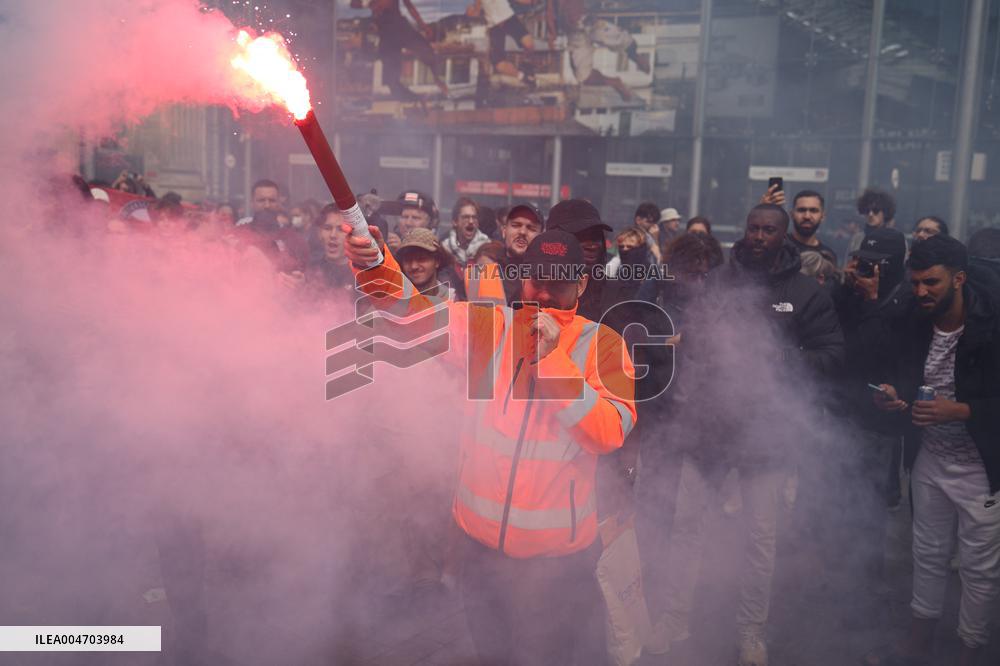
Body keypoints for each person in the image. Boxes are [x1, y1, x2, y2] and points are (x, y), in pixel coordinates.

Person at [342, 223, 637, 665]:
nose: (542, 293)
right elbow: (411, 319)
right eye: (535, 278)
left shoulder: (604, 345)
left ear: (581, 282)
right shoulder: (489, 327)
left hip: (557, 566)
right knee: (493, 655)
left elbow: (608, 433)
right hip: (480, 553)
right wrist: (373, 263)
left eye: (556, 282)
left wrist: (552, 362)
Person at [653, 204, 844, 666]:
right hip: (710, 427)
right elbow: (695, 337)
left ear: (784, 237)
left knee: (760, 537)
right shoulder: (719, 281)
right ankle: (674, 618)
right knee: (687, 527)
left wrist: (786, 360)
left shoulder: (804, 292)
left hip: (765, 433)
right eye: (753, 228)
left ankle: (750, 632)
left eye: (768, 231)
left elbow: (834, 353)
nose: (759, 237)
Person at [869, 235, 1000, 666]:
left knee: (980, 570)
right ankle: (919, 642)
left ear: (959, 279)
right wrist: (894, 394)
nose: (921, 291)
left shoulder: (992, 322)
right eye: (916, 282)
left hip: (982, 466)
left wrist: (958, 409)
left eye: (932, 283)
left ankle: (970, 650)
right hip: (930, 459)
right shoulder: (913, 316)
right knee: (926, 556)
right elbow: (905, 376)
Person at [352, 0, 448, 98]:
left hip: (400, 26)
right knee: (392, 79)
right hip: (386, 32)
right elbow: (354, 4)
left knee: (428, 53)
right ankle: (412, 98)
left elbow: (410, 7)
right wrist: (369, 4)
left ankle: (437, 80)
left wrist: (423, 26)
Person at [397, 227, 459, 302]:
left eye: (421, 259)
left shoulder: (452, 300)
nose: (414, 266)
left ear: (437, 261)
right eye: (407, 260)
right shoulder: (394, 300)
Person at [788, 190, 838, 264]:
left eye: (813, 210)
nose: (807, 216)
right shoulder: (779, 248)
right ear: (792, 214)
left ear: (822, 216)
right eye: (801, 210)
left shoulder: (827, 257)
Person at [846, 188, 897, 258]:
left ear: (885, 212)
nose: (870, 214)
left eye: (875, 210)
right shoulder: (857, 238)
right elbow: (848, 264)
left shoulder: (896, 240)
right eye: (867, 210)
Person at [441, 197, 490, 265]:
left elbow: (491, 275)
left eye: (474, 217)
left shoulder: (488, 248)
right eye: (466, 217)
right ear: (455, 222)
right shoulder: (445, 250)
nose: (471, 221)